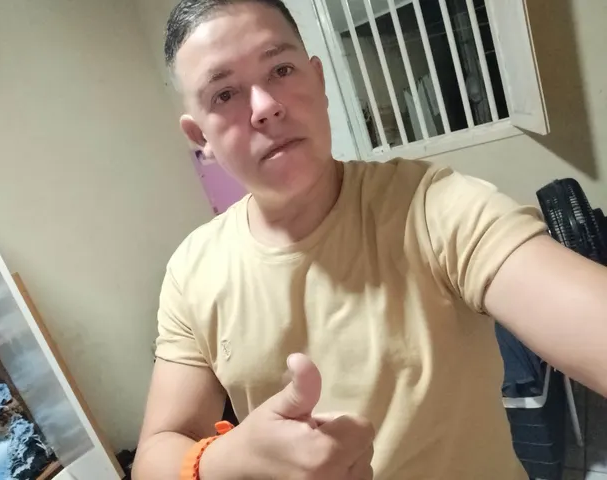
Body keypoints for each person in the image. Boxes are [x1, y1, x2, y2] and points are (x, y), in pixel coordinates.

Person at [132, 1, 607, 479]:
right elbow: (154, 454)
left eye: (281, 69)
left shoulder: (432, 206)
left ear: (318, 80)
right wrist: (224, 461)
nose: (265, 106)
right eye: (224, 94)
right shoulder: (192, 271)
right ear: (201, 137)